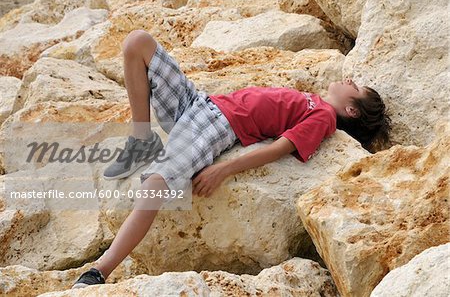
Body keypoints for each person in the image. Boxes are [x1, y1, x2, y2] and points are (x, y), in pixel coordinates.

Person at [71, 30, 391, 288]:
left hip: (217, 125)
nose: (349, 81)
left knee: (156, 184)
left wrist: (222, 169)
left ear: (351, 110)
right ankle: (141, 139)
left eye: (356, 88)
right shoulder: (313, 101)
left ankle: (100, 270)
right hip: (199, 103)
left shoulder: (324, 118)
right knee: (137, 43)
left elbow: (281, 147)